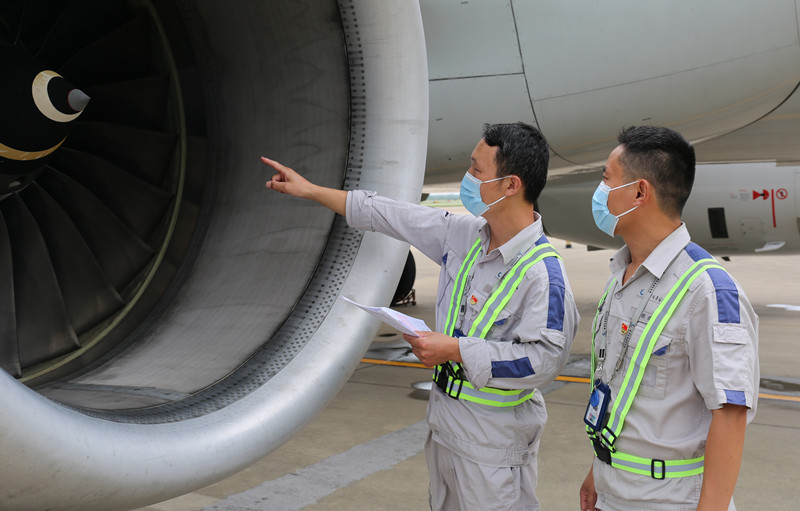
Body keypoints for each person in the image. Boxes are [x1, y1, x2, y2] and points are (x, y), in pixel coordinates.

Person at [263, 122, 579, 511]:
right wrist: (310, 190)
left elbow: (544, 361)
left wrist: (456, 350)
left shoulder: (543, 275)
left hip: (493, 442)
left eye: (476, 170)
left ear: (511, 185)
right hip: (446, 426)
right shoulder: (464, 235)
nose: (467, 178)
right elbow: (389, 214)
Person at [579, 126, 759, 511]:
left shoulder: (708, 291)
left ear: (640, 192)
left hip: (669, 501)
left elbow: (730, 417)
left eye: (607, 179)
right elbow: (620, 387)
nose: (600, 192)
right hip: (614, 491)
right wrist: (600, 469)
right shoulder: (622, 275)